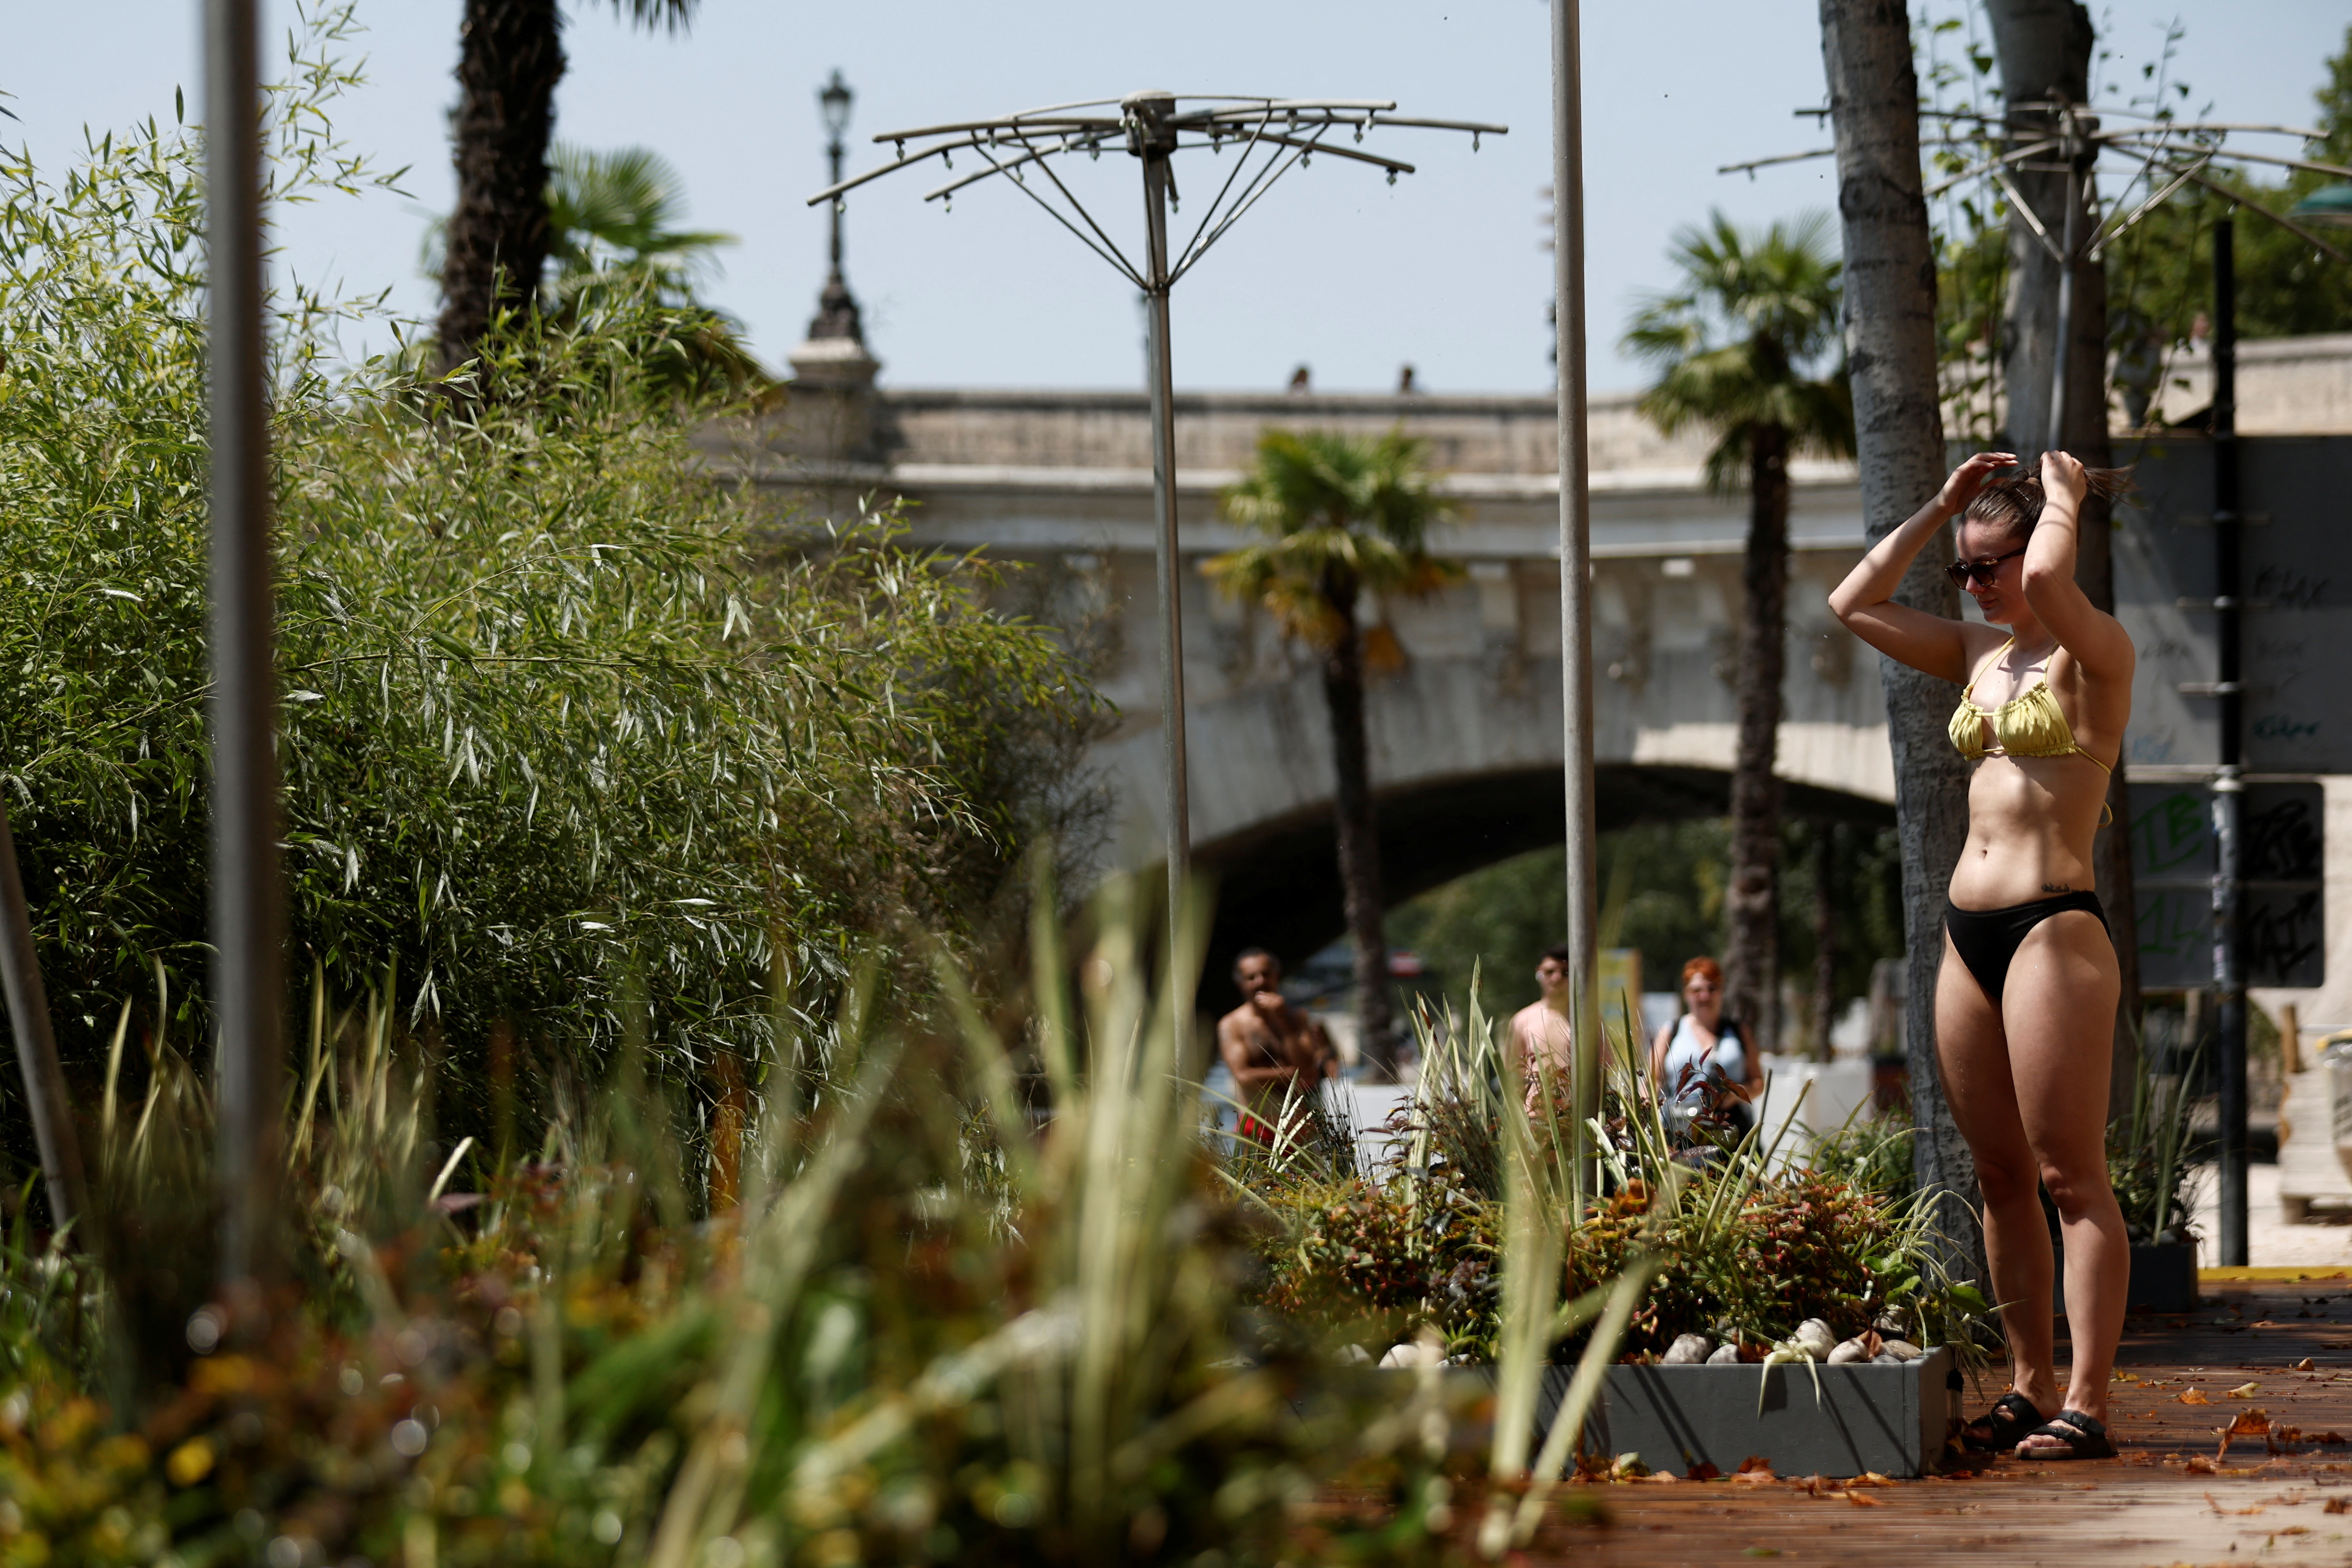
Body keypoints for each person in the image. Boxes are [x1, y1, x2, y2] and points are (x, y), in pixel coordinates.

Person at [1828, 449, 2135, 1462]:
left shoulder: (2092, 653)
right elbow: (1852, 601)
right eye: (1963, 570)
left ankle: (2084, 1400)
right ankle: (2025, 1381)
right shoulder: (1975, 650)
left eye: (1988, 564)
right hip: (1968, 937)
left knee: (2066, 1175)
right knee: (1998, 1172)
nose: (1977, 584)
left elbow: (2049, 582)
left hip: (2052, 926)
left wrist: (2063, 498)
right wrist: (1939, 507)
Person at [1217, 947, 1338, 1146]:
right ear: (1240, 983)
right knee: (1258, 1178)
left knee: (1310, 1177)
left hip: (1300, 1125)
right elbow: (1244, 1077)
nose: (1260, 982)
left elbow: (1309, 1070)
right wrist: (1295, 1073)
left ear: (1277, 975)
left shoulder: (1296, 1018)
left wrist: (1282, 1021)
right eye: (1251, 977)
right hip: (1257, 1125)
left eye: (1266, 974)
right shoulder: (1232, 1024)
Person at [1647, 957, 1760, 1139]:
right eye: (1697, 990)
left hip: (1729, 1132)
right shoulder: (1671, 1031)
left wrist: (1733, 1094)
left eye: (1711, 989)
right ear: (1686, 993)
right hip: (1680, 1133)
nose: (1704, 996)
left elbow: (1758, 1082)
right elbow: (1653, 1081)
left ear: (1721, 991)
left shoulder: (1739, 1031)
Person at [1509, 943, 1577, 1106]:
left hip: (1580, 1112)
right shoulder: (1522, 1019)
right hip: (1536, 1114)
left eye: (1565, 972)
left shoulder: (1588, 1018)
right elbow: (1513, 1071)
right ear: (1539, 972)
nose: (1557, 978)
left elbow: (1604, 1066)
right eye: (1550, 972)